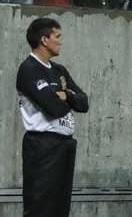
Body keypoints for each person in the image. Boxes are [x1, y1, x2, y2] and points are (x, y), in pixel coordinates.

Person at [16, 17, 89, 216]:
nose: (61, 41)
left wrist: (66, 95)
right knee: (40, 206)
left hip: (65, 144)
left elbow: (84, 103)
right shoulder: (29, 69)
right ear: (44, 40)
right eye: (57, 36)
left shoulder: (59, 70)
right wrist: (66, 100)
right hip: (42, 146)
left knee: (60, 207)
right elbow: (53, 108)